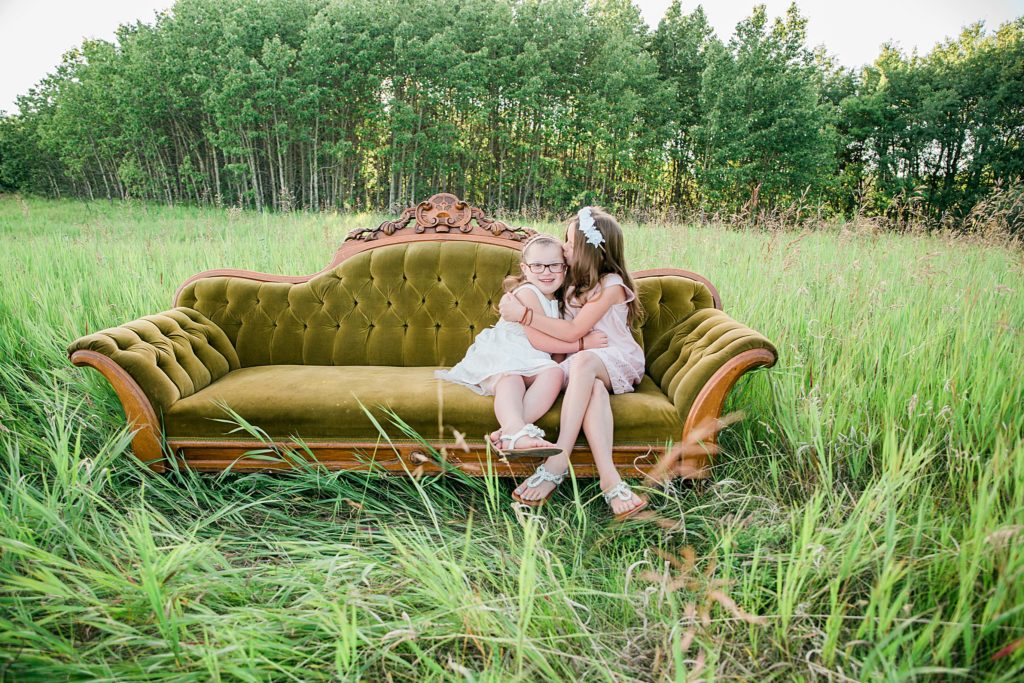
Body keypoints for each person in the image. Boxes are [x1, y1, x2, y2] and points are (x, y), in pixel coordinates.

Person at [498, 207, 648, 520]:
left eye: (568, 242)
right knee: (590, 383)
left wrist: (523, 315)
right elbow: (546, 314)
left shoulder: (612, 285)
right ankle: (610, 480)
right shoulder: (571, 282)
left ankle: (558, 461)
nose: (564, 249)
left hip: (615, 358)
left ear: (588, 249)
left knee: (585, 363)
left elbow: (576, 331)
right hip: (583, 365)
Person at [436, 234, 608, 457]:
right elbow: (539, 341)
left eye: (554, 265)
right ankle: (515, 431)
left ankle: (511, 433)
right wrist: (583, 344)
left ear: (565, 269)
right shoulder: (527, 293)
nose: (546, 272)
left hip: (532, 360)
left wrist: (560, 362)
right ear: (525, 269)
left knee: (554, 373)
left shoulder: (557, 300)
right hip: (505, 352)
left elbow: (552, 350)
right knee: (512, 378)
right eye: (537, 266)